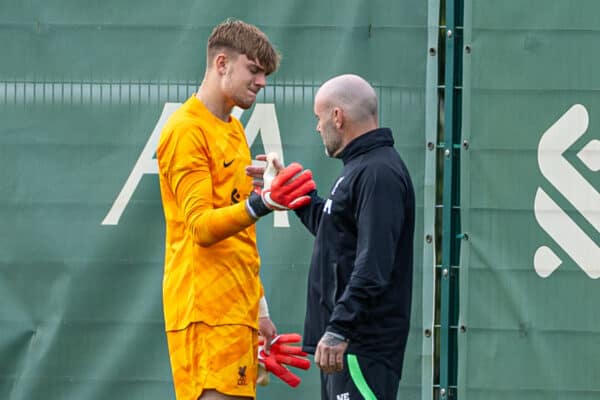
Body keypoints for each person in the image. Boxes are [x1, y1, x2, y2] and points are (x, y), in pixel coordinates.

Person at [156, 19, 315, 400]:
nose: (262, 82)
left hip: (235, 315)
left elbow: (240, 234)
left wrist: (258, 311)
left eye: (265, 74)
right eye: (254, 70)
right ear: (222, 63)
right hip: (204, 315)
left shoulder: (233, 131)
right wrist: (263, 202)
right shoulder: (185, 130)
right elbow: (200, 228)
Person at [249, 74, 415, 399]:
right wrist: (294, 191)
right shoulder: (360, 167)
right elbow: (338, 236)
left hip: (360, 348)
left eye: (318, 117)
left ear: (337, 117)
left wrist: (339, 327)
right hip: (347, 349)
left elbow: (373, 265)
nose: (317, 127)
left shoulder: (378, 173)